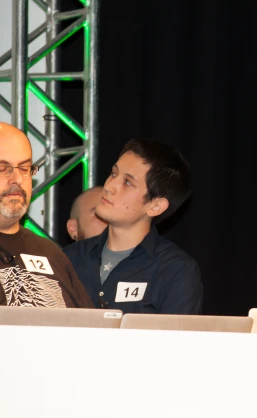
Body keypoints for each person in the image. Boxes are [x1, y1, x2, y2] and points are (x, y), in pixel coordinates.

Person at [63, 138, 203, 314]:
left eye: (128, 182)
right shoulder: (68, 259)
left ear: (155, 206)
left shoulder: (174, 271)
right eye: (113, 174)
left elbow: (175, 341)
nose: (109, 186)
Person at [0, 122, 93, 308]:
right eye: (3, 168)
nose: (17, 179)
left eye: (25, 169)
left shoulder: (50, 252)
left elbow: (91, 329)